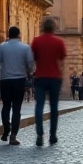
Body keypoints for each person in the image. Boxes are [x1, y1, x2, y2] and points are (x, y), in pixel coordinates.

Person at [0, 25, 36, 146]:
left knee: (6, 106)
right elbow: (31, 64)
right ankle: (13, 136)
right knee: (17, 108)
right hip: (19, 80)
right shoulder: (25, 48)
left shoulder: (2, 47)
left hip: (5, 80)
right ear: (19, 35)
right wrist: (28, 71)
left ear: (8, 34)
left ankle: (6, 130)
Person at [30, 16, 67, 147]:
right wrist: (61, 75)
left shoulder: (36, 41)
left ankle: (39, 134)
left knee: (39, 106)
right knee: (54, 107)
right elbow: (62, 61)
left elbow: (33, 58)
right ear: (53, 28)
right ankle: (53, 135)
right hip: (55, 77)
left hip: (40, 76)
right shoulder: (59, 42)